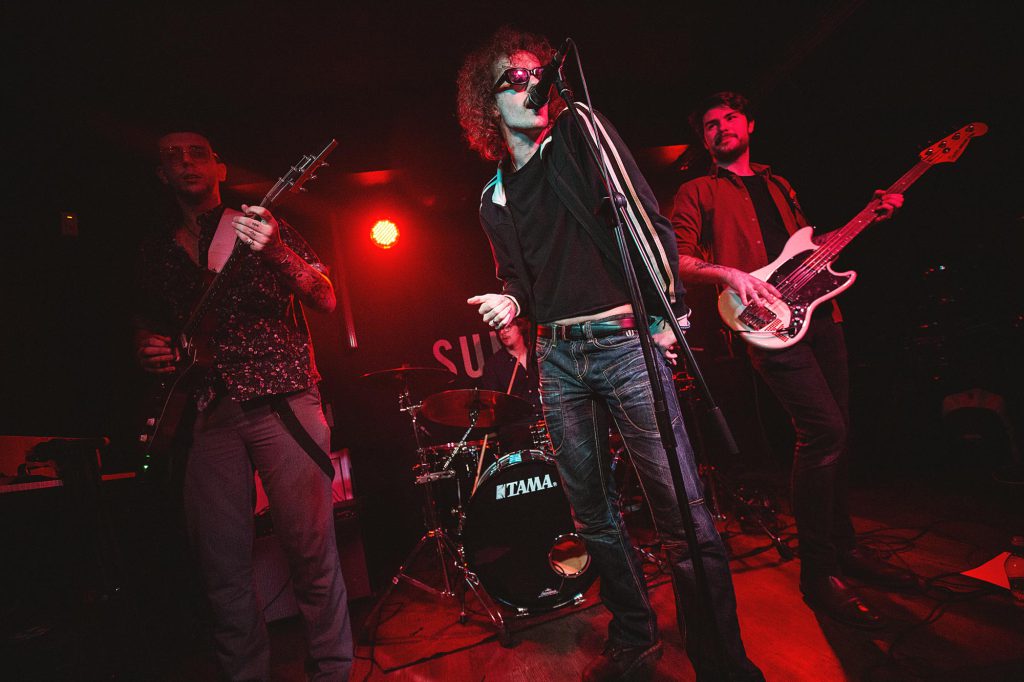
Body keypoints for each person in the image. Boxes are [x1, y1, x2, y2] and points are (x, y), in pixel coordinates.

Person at [458, 28, 763, 681]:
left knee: (682, 513)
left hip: (625, 345)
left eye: (538, 74)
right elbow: (518, 277)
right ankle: (634, 635)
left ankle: (722, 662)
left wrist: (670, 315)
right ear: (488, 102)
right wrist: (509, 301)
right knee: (593, 516)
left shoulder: (579, 134)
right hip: (558, 358)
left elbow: (645, 217)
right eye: (515, 77)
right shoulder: (494, 197)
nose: (532, 85)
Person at [670, 92, 914, 629]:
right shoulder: (698, 191)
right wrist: (729, 274)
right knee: (823, 432)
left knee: (840, 432)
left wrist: (869, 218)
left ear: (750, 125)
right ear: (703, 139)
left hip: (821, 316)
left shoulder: (780, 185)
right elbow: (674, 258)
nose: (721, 128)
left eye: (730, 118)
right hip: (765, 325)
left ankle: (846, 548)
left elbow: (808, 250)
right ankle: (818, 572)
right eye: (709, 124)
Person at [133, 129, 353, 680]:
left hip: (281, 397)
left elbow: (325, 296)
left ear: (220, 168)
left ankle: (332, 671)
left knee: (311, 552)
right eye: (173, 157)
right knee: (221, 568)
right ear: (160, 175)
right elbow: (149, 321)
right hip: (205, 410)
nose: (187, 163)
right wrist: (147, 346)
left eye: (198, 154)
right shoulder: (154, 250)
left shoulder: (257, 223)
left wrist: (275, 250)